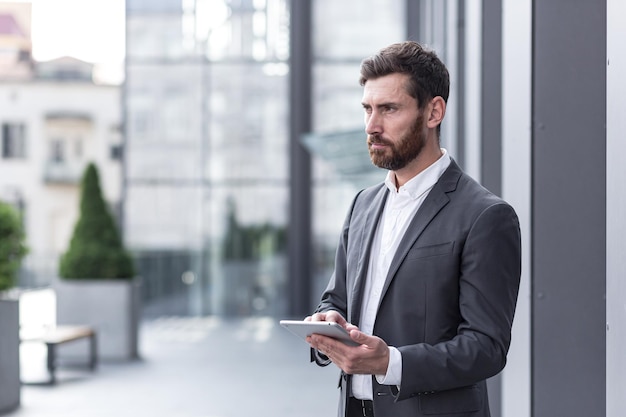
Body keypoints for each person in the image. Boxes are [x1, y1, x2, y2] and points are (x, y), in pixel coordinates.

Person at [304, 41, 521, 417]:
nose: (372, 126)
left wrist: (391, 362)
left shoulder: (486, 216)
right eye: (368, 109)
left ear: (433, 111)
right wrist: (328, 320)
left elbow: (487, 347)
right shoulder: (362, 205)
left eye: (389, 109)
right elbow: (336, 298)